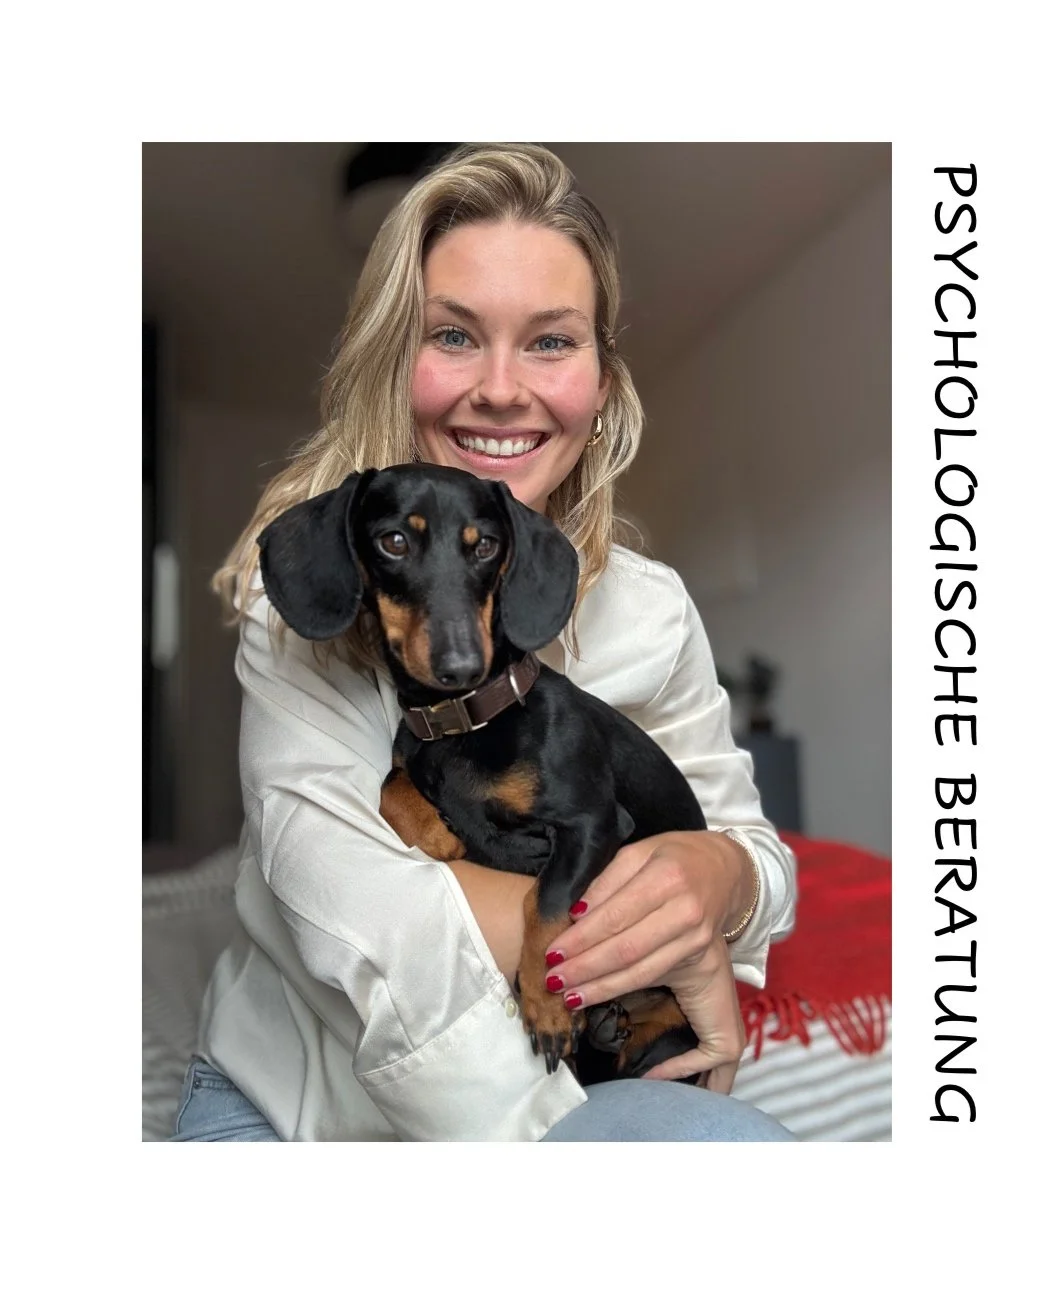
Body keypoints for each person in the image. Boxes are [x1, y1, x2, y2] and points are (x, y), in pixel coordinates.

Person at [175, 143, 798, 1142]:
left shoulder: (653, 609)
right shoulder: (300, 585)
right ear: (395, 358)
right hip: (302, 1095)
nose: (502, 389)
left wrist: (720, 882)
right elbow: (363, 915)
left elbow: (759, 857)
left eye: (551, 341)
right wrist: (675, 951)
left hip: (586, 1060)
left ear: (599, 380)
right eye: (454, 335)